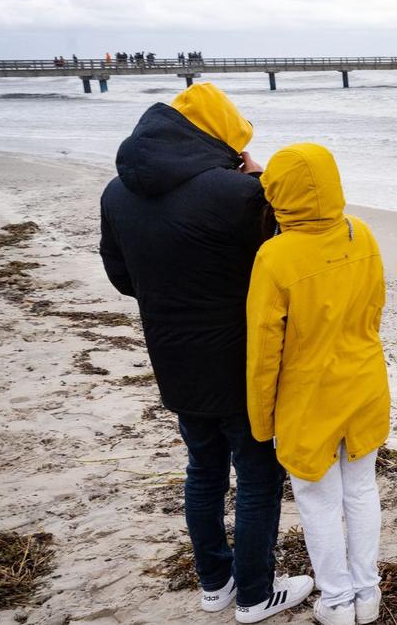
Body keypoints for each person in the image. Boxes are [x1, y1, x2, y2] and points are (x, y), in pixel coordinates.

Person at [99, 83, 313, 622]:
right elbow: (285, 265)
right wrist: (258, 178)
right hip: (243, 362)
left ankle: (214, 583)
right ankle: (256, 593)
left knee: (203, 471)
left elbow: (122, 278)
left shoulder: (116, 194)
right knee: (259, 475)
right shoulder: (237, 194)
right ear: (221, 135)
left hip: (174, 359)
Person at [246, 143, 391, 625]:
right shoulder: (362, 233)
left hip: (308, 396)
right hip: (365, 379)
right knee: (361, 490)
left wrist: (262, 420)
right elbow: (374, 309)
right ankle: (367, 596)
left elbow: (264, 351)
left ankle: (335, 601)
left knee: (318, 501)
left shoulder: (274, 255)